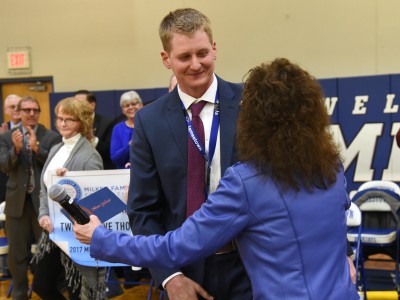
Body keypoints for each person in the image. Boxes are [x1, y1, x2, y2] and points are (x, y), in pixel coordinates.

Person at [74, 58, 360, 300]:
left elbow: (175, 246)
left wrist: (102, 238)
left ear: (253, 119)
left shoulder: (247, 182)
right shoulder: (331, 168)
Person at [126, 8, 252, 300]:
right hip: (182, 271)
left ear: (215, 49)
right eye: (184, 57)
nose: (196, 65)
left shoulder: (251, 103)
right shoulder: (149, 121)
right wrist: (169, 277)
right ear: (166, 59)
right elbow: (143, 211)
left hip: (251, 265)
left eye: (202, 53)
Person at [35, 97, 106, 299]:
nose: (62, 123)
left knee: (78, 290)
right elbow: (44, 188)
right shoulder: (56, 148)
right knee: (41, 284)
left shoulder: (90, 156)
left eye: (69, 119)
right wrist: (43, 215)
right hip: (52, 232)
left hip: (77, 235)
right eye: (59, 118)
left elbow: (97, 200)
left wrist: (73, 180)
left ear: (82, 122)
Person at [0, 96, 61, 300]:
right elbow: (3, 166)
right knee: (17, 253)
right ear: (18, 112)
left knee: (48, 250)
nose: (31, 114)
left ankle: (48, 288)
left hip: (43, 203)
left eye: (35, 110)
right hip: (17, 203)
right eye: (26, 110)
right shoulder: (7, 137)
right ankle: (19, 290)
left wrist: (37, 150)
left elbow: (54, 166)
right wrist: (15, 150)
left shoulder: (51, 136)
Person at [74, 90, 115, 169]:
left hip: (101, 169)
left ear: (92, 105)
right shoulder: (71, 122)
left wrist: (92, 139)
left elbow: (110, 152)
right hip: (77, 169)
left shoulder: (107, 123)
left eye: (80, 103)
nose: (76, 106)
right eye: (74, 103)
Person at [110, 91, 143, 169]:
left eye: (134, 104)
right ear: (122, 110)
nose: (131, 107)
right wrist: (130, 144)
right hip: (123, 174)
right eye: (127, 105)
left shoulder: (149, 125)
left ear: (141, 105)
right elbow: (115, 158)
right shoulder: (117, 129)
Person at [1, 94, 21, 204]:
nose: (16, 109)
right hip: (3, 184)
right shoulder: (2, 129)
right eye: (12, 107)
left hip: (23, 186)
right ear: (5, 110)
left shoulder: (32, 128)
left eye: (18, 106)